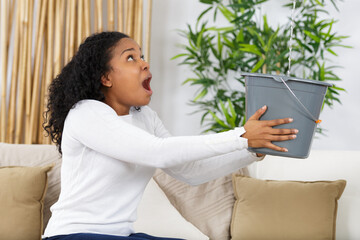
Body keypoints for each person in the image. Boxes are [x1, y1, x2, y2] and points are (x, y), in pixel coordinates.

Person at [43, 31, 298, 240]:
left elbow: (191, 172)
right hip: (73, 235)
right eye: (130, 58)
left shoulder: (145, 117)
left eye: (142, 56)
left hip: (120, 235)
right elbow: (159, 152)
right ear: (106, 77)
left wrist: (251, 150)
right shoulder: (86, 114)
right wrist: (240, 135)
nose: (144, 63)